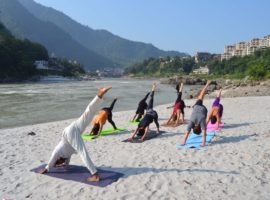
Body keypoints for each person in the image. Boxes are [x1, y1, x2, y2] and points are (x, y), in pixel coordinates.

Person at [38, 87, 112, 182]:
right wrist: (64, 164)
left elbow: (52, 159)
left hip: (70, 132)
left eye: (59, 163)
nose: (63, 163)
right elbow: (66, 161)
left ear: (58, 159)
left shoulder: (58, 151)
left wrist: (47, 168)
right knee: (89, 112)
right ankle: (100, 94)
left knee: (82, 152)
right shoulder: (66, 155)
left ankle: (95, 175)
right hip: (74, 128)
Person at [181, 80, 212, 147]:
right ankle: (207, 84)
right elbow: (187, 134)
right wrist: (183, 142)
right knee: (201, 95)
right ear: (193, 128)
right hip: (197, 106)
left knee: (201, 95)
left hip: (204, 110)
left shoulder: (201, 123)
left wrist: (203, 143)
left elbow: (204, 133)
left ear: (199, 128)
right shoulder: (191, 123)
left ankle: (207, 84)